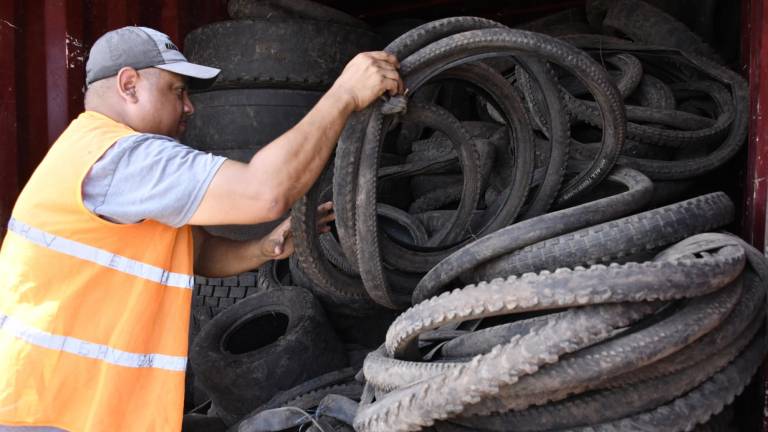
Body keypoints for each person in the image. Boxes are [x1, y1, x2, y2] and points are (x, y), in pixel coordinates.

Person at [0, 26, 402, 432]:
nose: (190, 107)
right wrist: (345, 94)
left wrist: (263, 248)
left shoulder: (91, 153)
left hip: (75, 405)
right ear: (129, 85)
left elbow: (192, 252)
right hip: (53, 413)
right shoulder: (122, 157)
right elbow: (265, 192)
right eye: (177, 90)